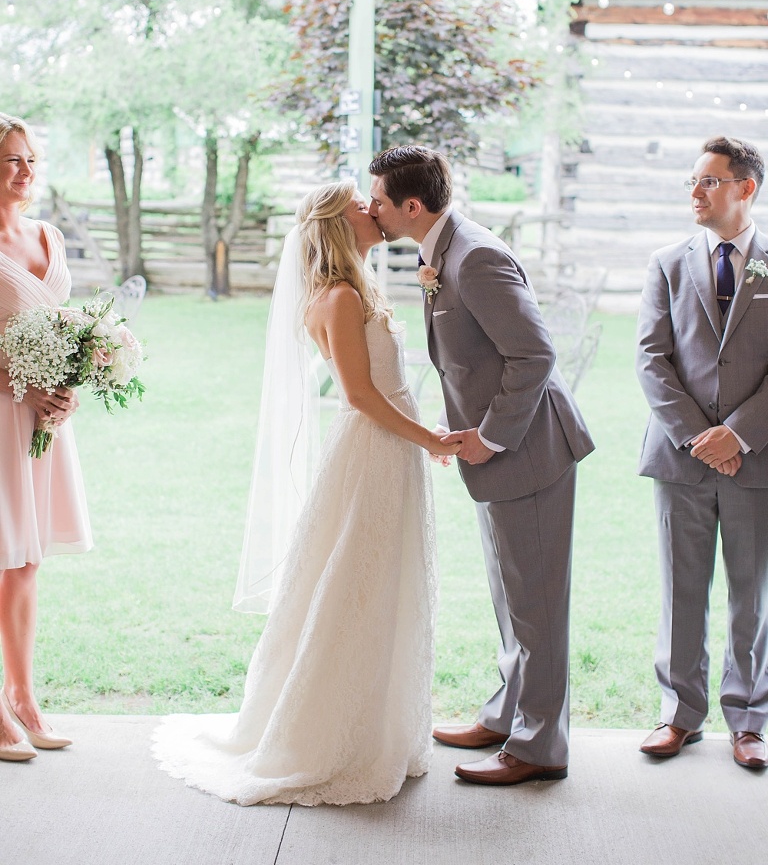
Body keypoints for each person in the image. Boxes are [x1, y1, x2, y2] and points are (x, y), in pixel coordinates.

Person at [153, 180, 459, 806]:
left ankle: (378, 727)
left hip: (387, 450)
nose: (373, 209)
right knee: (357, 584)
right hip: (374, 450)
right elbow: (359, 395)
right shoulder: (340, 297)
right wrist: (429, 437)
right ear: (338, 223)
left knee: (383, 585)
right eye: (361, 204)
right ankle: (325, 737)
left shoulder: (358, 287)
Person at [368, 145, 594, 787]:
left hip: (530, 452)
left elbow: (535, 355)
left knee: (539, 605)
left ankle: (540, 748)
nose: (373, 210)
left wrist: (490, 437)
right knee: (513, 601)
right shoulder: (442, 249)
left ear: (412, 206)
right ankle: (508, 716)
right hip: (497, 456)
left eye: (380, 200)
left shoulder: (478, 256)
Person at [637, 135, 768, 770]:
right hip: (680, 459)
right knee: (680, 590)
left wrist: (738, 434)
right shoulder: (667, 262)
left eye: (709, 181)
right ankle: (679, 714)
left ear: (745, 189)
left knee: (753, 594)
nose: (695, 192)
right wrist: (698, 437)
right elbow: (651, 359)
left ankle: (748, 719)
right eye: (693, 180)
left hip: (758, 461)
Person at [0, 113, 92, 763]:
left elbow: (59, 325)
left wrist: (69, 382)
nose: (25, 171)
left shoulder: (48, 235)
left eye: (29, 158)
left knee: (27, 562)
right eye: (9, 160)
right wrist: (18, 384)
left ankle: (24, 698)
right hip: (2, 412)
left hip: (42, 421)